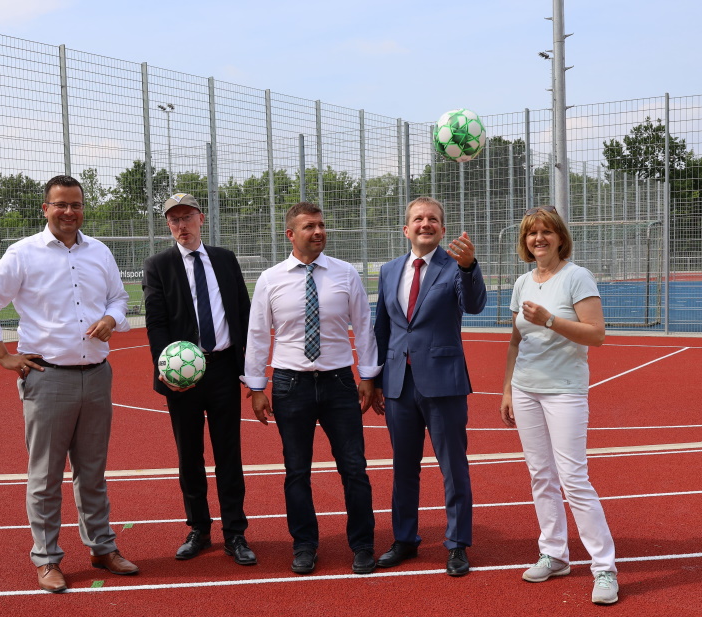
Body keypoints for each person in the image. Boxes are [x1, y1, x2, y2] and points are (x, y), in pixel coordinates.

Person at [0, 175, 139, 593]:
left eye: (76, 204)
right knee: (45, 477)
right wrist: (3, 356)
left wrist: (113, 318)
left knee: (92, 472)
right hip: (48, 378)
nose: (69, 212)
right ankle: (47, 559)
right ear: (46, 208)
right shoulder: (23, 254)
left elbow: (119, 297)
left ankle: (101, 547)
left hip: (97, 376)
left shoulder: (99, 252)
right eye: (60, 204)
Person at [241, 201, 381, 576]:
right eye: (309, 227)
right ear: (290, 234)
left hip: (338, 382)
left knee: (354, 468)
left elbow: (363, 327)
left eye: (321, 225)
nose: (318, 232)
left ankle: (363, 545)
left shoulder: (346, 273)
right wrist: (256, 387)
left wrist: (368, 377)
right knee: (296, 470)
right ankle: (304, 544)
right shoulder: (270, 279)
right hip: (290, 384)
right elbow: (257, 335)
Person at [498, 205, 618, 605]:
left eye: (546, 232)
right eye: (532, 234)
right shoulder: (522, 282)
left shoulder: (577, 276)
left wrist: (550, 320)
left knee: (573, 478)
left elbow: (596, 335)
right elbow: (516, 340)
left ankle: (604, 568)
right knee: (540, 475)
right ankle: (554, 553)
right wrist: (507, 390)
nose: (539, 239)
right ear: (525, 241)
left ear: (560, 237)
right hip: (526, 388)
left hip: (565, 389)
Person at [372, 196, 487, 577]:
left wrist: (470, 267)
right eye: (418, 219)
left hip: (443, 383)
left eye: (433, 219)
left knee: (452, 467)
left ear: (442, 228)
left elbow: (474, 306)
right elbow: (383, 329)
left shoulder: (455, 266)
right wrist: (373, 381)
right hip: (397, 385)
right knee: (403, 467)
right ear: (406, 229)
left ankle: (457, 545)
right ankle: (404, 539)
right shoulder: (388, 270)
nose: (426, 224)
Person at [142, 193, 256, 566]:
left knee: (229, 455)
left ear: (201, 219)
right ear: (168, 225)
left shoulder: (224, 259)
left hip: (222, 368)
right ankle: (198, 529)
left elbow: (243, 310)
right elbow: (156, 323)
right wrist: (166, 368)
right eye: (173, 220)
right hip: (182, 376)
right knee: (189, 456)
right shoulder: (158, 266)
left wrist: (249, 368)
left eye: (186, 217)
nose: (181, 226)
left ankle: (235, 533)